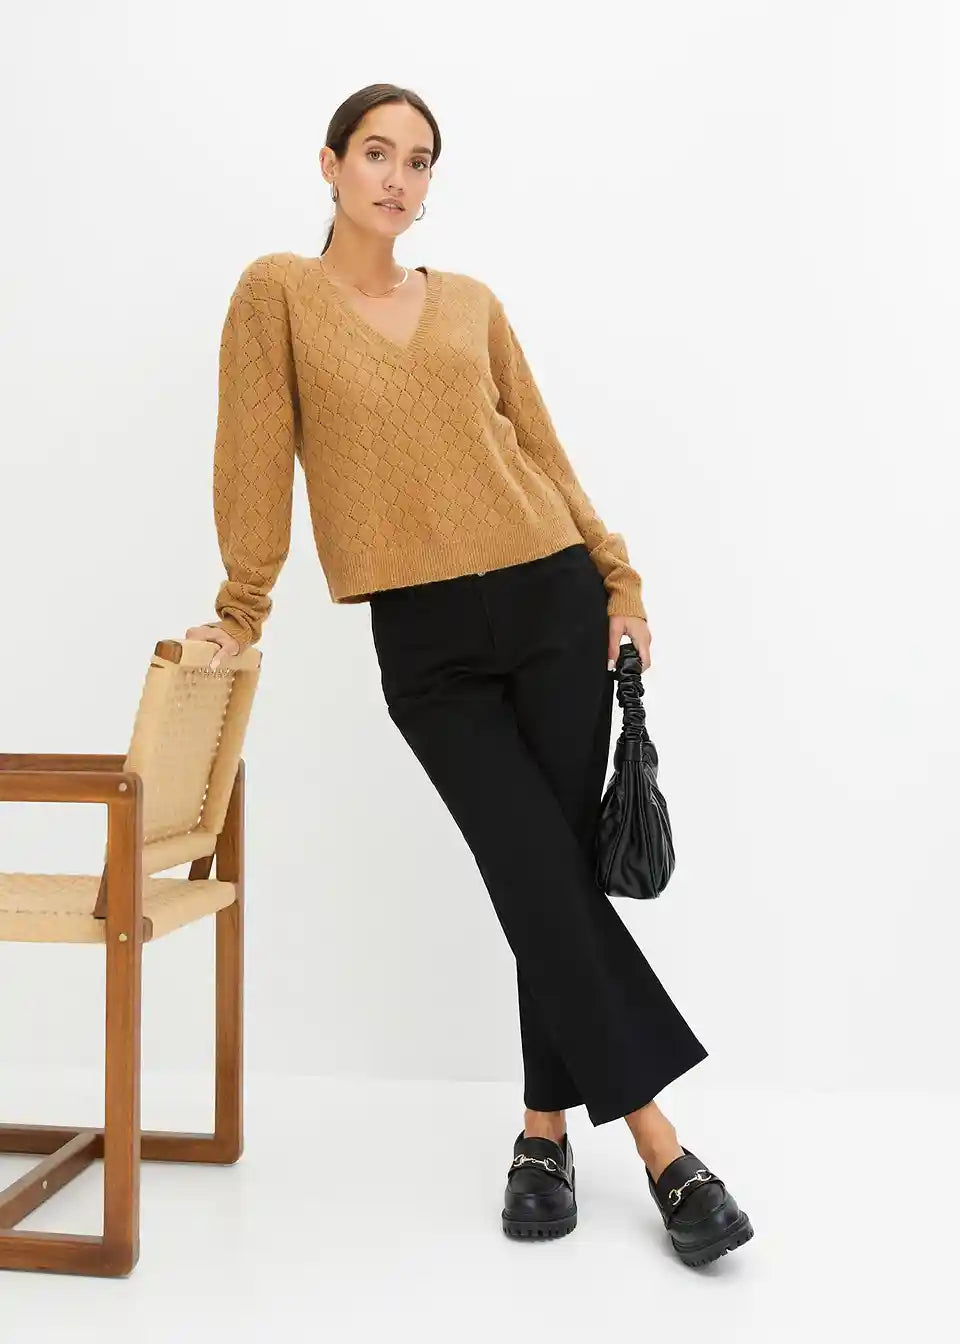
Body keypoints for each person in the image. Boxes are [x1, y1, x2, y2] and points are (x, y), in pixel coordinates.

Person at [186, 83, 753, 1265]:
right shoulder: (276, 293)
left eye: (419, 161)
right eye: (376, 153)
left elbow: (540, 446)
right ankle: (661, 1145)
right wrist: (241, 610)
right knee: (534, 871)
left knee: (550, 882)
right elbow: (254, 454)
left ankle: (543, 1137)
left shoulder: (472, 304)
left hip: (552, 599)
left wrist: (620, 578)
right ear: (330, 164)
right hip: (426, 639)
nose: (397, 178)